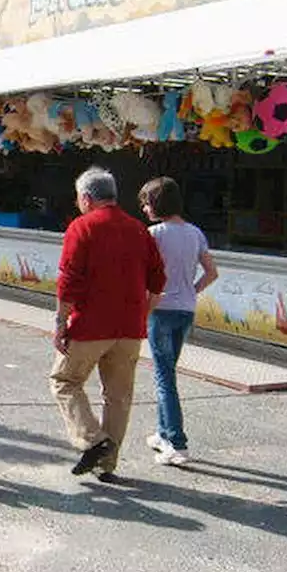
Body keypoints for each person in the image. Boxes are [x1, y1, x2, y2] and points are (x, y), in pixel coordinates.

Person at [50, 167, 166, 483]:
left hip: (90, 325)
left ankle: (93, 440)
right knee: (118, 396)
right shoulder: (138, 230)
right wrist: (143, 314)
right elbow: (158, 279)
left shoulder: (82, 227)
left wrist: (60, 323)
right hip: (129, 328)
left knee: (64, 380)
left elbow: (68, 282)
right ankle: (107, 463)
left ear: (86, 198)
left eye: (78, 199)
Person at [138, 176, 219, 466]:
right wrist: (191, 290)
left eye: (146, 203)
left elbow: (141, 274)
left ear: (156, 204)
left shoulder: (153, 234)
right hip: (185, 310)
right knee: (167, 371)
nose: (145, 209)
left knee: (163, 376)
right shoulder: (195, 233)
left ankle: (177, 442)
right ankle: (163, 434)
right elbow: (211, 272)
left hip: (159, 309)